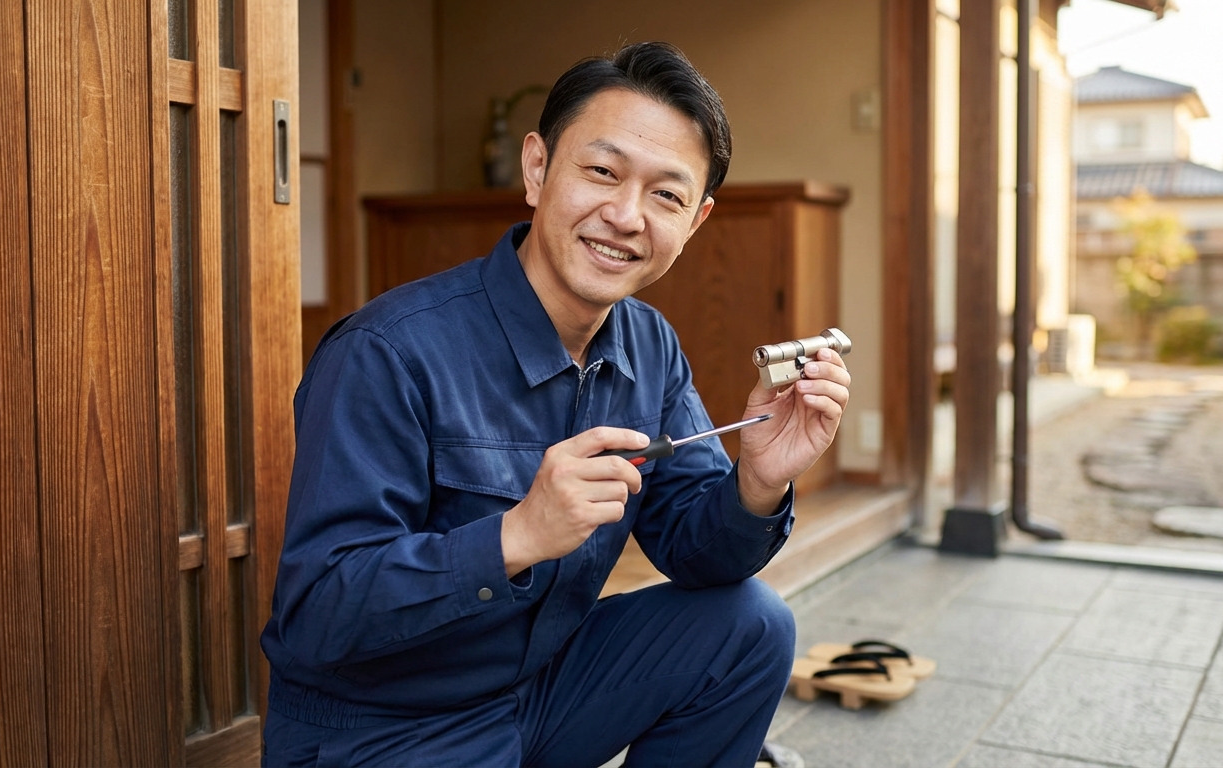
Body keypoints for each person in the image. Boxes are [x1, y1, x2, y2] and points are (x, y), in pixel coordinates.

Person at [260, 41, 850, 767]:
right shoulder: (386, 351)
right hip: (384, 727)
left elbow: (698, 556)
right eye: (602, 172)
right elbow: (318, 611)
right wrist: (517, 535)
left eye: (666, 196)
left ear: (695, 223)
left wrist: (758, 482)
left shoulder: (650, 345)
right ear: (537, 169)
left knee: (750, 625)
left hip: (537, 695)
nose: (626, 216)